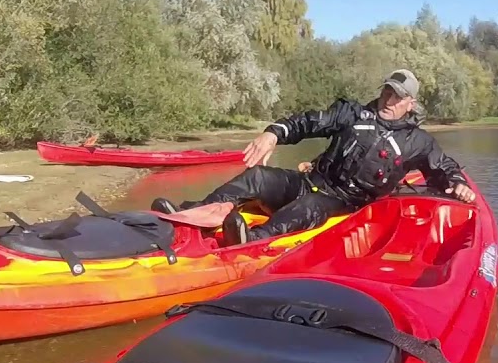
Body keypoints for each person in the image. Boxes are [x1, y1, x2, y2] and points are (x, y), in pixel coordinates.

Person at [152, 69, 476, 245]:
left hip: (343, 202)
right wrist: (273, 132)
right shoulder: (352, 114)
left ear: (411, 103)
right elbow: (309, 122)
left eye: (398, 97)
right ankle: (195, 214)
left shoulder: (418, 142)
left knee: (309, 206)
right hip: (310, 181)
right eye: (387, 92)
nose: (389, 100)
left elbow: (443, 169)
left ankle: (251, 241)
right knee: (258, 176)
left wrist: (457, 183)